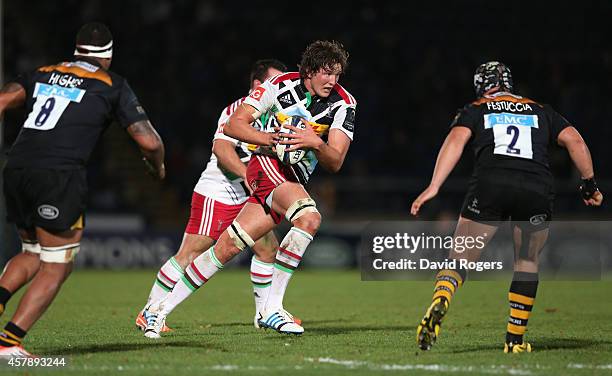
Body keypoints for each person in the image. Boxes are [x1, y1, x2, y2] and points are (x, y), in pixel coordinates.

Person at [144, 40, 356, 338]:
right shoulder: (279, 85)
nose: (332, 81)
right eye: (326, 73)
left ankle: (158, 311)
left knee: (226, 248)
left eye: (337, 75)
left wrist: (315, 142)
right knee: (309, 217)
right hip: (266, 165)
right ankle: (272, 308)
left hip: (292, 178)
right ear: (308, 71)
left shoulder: (345, 104)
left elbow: (335, 161)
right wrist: (271, 139)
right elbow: (233, 126)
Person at [411, 61, 603, 353]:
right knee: (526, 262)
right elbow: (575, 141)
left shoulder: (475, 108)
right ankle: (514, 340)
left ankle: (443, 297)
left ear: (480, 84)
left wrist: (435, 185)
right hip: (536, 188)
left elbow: (455, 140)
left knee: (460, 257)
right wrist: (589, 185)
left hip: (491, 183)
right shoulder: (541, 110)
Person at [0, 22, 165, 357]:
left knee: (32, 252)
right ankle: (8, 344)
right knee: (58, 263)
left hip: (17, 167)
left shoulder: (44, 72)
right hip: (58, 174)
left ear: (77, 49)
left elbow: (3, 101)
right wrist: (157, 165)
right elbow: (148, 141)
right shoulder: (110, 83)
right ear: (108, 55)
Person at [136, 59, 299, 332]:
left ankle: (263, 314)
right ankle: (150, 310)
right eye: (276, 82)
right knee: (190, 253)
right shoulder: (238, 110)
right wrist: (252, 178)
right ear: (258, 85)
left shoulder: (280, 114)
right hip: (220, 191)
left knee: (268, 249)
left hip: (251, 195)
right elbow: (223, 151)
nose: (282, 88)